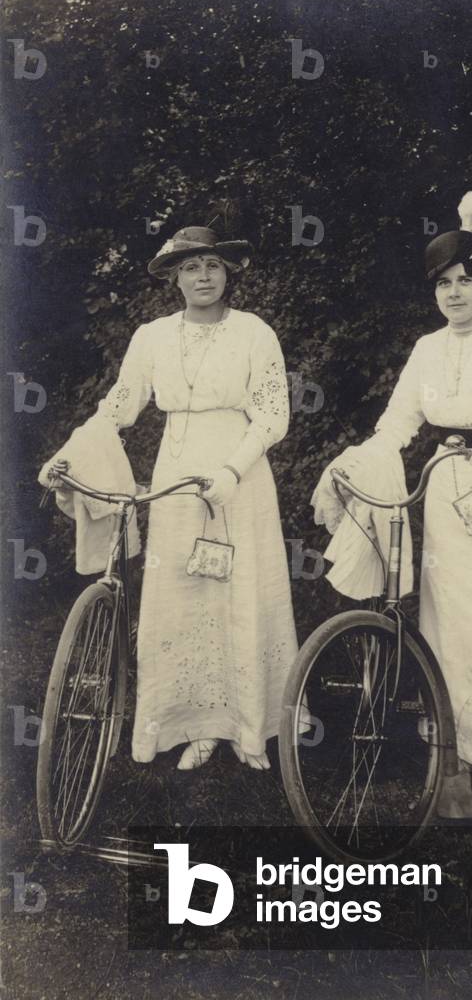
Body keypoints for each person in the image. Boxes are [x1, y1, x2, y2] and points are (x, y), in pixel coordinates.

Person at [314, 191, 472, 809]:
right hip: (447, 489)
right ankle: (454, 747)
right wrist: (359, 458)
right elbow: (398, 421)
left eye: (464, 281)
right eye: (443, 285)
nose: (454, 294)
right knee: (451, 623)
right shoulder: (427, 350)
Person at [42, 225, 298, 771]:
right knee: (184, 594)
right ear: (175, 278)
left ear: (228, 273)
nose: (202, 276)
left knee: (241, 591)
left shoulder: (254, 332)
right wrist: (73, 449)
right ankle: (194, 727)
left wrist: (231, 470)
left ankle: (249, 728)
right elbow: (120, 404)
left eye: (211, 266)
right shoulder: (151, 336)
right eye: (190, 268)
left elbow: (274, 414)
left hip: (240, 474)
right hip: (176, 473)